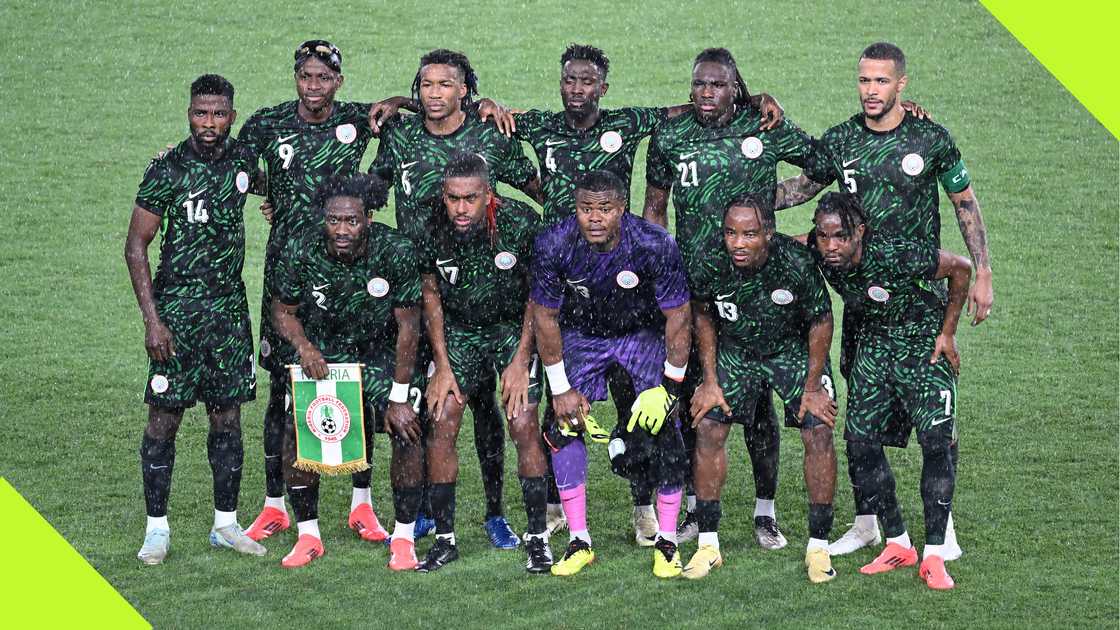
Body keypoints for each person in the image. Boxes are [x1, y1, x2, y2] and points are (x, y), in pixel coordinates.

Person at [511, 43, 783, 543]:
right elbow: (495, 131)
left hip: (620, 282)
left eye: (588, 81)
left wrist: (749, 100)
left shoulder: (629, 123)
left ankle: (644, 507)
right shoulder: (536, 126)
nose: (578, 89)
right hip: (564, 277)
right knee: (560, 402)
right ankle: (556, 505)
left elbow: (686, 109)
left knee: (636, 398)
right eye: (570, 80)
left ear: (603, 87)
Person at [775, 42, 992, 557]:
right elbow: (802, 188)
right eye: (864, 80)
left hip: (919, 296)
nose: (871, 90)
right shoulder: (844, 139)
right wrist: (744, 205)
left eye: (881, 81)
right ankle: (870, 520)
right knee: (863, 418)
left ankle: (943, 526)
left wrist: (982, 270)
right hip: (863, 304)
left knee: (928, 416)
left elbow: (964, 202)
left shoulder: (930, 138)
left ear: (901, 85)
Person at [238, 40, 416, 543]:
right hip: (291, 270)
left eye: (323, 77)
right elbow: (233, 165)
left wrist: (398, 101)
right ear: (295, 76)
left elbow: (417, 114)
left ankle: (362, 502)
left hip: (352, 264)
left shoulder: (360, 119)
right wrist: (270, 196)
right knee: (283, 388)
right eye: (305, 76)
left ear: (338, 80)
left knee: (357, 373)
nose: (313, 86)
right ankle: (276, 503)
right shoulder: (267, 123)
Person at [643, 47, 817, 550]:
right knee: (696, 402)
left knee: (759, 410)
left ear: (735, 87)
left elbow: (821, 166)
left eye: (718, 85)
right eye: (700, 84)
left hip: (756, 290)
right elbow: (655, 208)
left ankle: (765, 512)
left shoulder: (763, 124)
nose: (707, 94)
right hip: (693, 292)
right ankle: (699, 507)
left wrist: (772, 200)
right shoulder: (671, 135)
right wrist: (662, 267)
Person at [369, 48, 543, 549]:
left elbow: (536, 188)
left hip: (491, 301)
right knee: (433, 404)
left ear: (465, 89)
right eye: (425, 86)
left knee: (493, 410)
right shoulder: (400, 133)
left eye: (446, 85)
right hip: (425, 291)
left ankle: (495, 513)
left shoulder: (488, 133)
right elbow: (372, 190)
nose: (434, 94)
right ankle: (424, 511)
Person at [126, 74, 266, 565]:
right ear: (189, 112)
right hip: (177, 316)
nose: (209, 123)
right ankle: (156, 530)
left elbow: (271, 186)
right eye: (201, 113)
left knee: (227, 417)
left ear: (232, 114)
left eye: (219, 114)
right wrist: (152, 320)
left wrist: (270, 200)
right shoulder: (166, 169)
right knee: (164, 419)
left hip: (228, 313)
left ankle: (225, 524)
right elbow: (136, 244)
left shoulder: (245, 160)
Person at [806, 192, 972, 590]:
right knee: (860, 443)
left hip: (921, 344)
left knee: (935, 441)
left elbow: (960, 268)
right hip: (875, 345)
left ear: (859, 232)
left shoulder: (898, 253)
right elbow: (781, 244)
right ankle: (898, 542)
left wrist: (947, 334)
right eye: (824, 236)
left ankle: (934, 553)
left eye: (840, 236)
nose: (831, 246)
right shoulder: (819, 246)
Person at [530, 170, 691, 578]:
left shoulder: (654, 244)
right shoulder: (554, 243)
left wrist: (670, 387)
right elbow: (545, 318)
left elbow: (678, 317)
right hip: (583, 335)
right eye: (586, 209)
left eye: (605, 209)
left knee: (666, 426)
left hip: (640, 334)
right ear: (576, 209)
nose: (595, 218)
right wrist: (561, 388)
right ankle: (580, 540)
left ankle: (668, 542)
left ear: (622, 208)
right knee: (563, 425)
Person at [269, 174, 426, 569]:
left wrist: (399, 396)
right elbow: (282, 311)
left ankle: (404, 537)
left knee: (405, 428)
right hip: (325, 352)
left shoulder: (396, 250)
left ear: (368, 218)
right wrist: (304, 348)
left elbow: (409, 325)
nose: (342, 230)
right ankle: (309, 534)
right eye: (334, 220)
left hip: (382, 352)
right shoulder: (301, 247)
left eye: (352, 221)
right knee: (294, 428)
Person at [685, 195, 838, 582]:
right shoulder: (709, 259)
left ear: (768, 234)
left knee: (817, 430)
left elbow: (821, 321)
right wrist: (709, 380)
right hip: (736, 350)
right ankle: (708, 544)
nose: (737, 243)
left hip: (791, 349)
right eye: (730, 233)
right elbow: (702, 314)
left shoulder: (797, 263)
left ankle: (818, 548)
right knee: (708, 427)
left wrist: (813, 386)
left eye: (749, 234)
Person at [415, 154, 552, 573]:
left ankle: (538, 538)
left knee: (524, 422)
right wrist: (442, 364)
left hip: (513, 329)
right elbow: (431, 294)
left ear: (488, 195)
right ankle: (445, 539)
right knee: (441, 420)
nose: (460, 208)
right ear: (443, 196)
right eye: (453, 198)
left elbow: (538, 293)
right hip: (459, 332)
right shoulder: (429, 225)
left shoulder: (520, 223)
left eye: (470, 199)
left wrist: (521, 358)